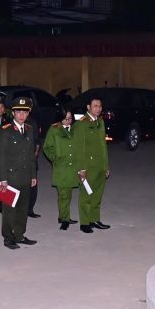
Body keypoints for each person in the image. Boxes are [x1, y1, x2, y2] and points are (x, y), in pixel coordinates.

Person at [0, 98, 39, 249]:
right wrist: (3, 180)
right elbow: (1, 157)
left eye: (24, 112)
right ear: (13, 112)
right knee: (9, 210)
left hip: (25, 175)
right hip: (10, 177)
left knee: (22, 208)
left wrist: (33, 175)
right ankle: (8, 238)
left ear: (28, 113)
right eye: (18, 111)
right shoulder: (5, 130)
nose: (21, 115)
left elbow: (31, 155)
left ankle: (19, 234)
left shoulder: (29, 129)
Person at [73, 97, 111, 231]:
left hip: (100, 166)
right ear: (88, 107)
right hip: (88, 166)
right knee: (86, 195)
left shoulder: (100, 122)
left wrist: (106, 166)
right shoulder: (81, 123)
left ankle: (95, 219)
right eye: (95, 106)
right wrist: (81, 169)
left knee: (97, 195)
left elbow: (103, 146)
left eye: (100, 106)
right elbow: (79, 148)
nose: (98, 108)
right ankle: (85, 223)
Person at [43, 110, 79, 230]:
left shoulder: (74, 128)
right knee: (63, 194)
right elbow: (47, 147)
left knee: (68, 194)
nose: (68, 121)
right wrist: (55, 158)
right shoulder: (54, 129)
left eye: (70, 118)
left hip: (72, 167)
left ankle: (63, 215)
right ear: (60, 119)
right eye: (65, 119)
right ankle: (65, 220)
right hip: (61, 167)